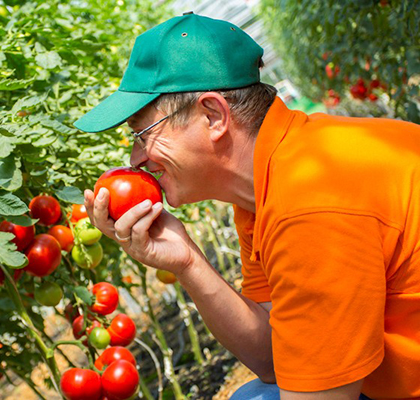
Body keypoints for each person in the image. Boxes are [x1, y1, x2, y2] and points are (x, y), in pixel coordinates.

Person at [74, 12, 420, 400]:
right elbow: (274, 359)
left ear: (213, 115)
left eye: (143, 133)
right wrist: (187, 261)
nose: (135, 159)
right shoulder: (267, 184)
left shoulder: (308, 203)